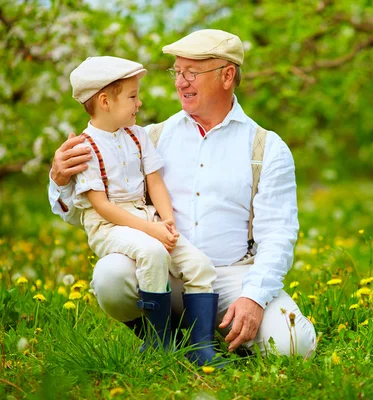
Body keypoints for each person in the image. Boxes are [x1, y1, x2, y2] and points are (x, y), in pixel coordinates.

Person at [48, 29, 317, 358]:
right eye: (177, 72)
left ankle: (209, 334)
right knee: (111, 275)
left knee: (295, 345)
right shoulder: (148, 138)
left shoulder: (266, 147)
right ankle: (168, 339)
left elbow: (278, 234)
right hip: (167, 273)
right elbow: (90, 212)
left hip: (235, 276)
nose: (180, 82)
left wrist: (254, 297)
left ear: (227, 75)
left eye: (192, 72)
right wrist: (60, 179)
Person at [68, 56, 220, 365]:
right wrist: (150, 231)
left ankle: (201, 347)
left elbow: (155, 183)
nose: (139, 103)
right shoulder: (85, 148)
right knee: (153, 253)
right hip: (108, 225)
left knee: (199, 265)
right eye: (133, 96)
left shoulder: (137, 137)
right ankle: (158, 341)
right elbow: (101, 206)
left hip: (146, 218)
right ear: (105, 101)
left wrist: (166, 220)